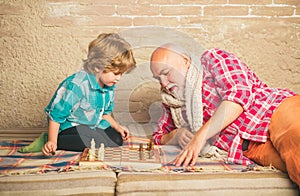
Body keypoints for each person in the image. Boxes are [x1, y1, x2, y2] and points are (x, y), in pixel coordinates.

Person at [150, 43, 299, 186]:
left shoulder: (211, 60)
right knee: (295, 168)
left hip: (273, 112)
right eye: (158, 79)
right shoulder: (172, 102)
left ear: (185, 61)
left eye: (166, 73)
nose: (163, 84)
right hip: (249, 149)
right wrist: (175, 135)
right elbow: (158, 136)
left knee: (296, 135)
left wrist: (199, 137)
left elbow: (239, 95)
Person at [19, 33, 136, 156]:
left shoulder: (109, 86)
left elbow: (105, 114)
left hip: (92, 126)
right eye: (116, 73)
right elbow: (55, 116)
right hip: (70, 129)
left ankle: (95, 136)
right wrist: (52, 141)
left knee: (117, 139)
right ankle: (49, 139)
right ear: (98, 67)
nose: (119, 78)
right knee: (90, 139)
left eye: (122, 74)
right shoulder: (77, 85)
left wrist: (117, 127)